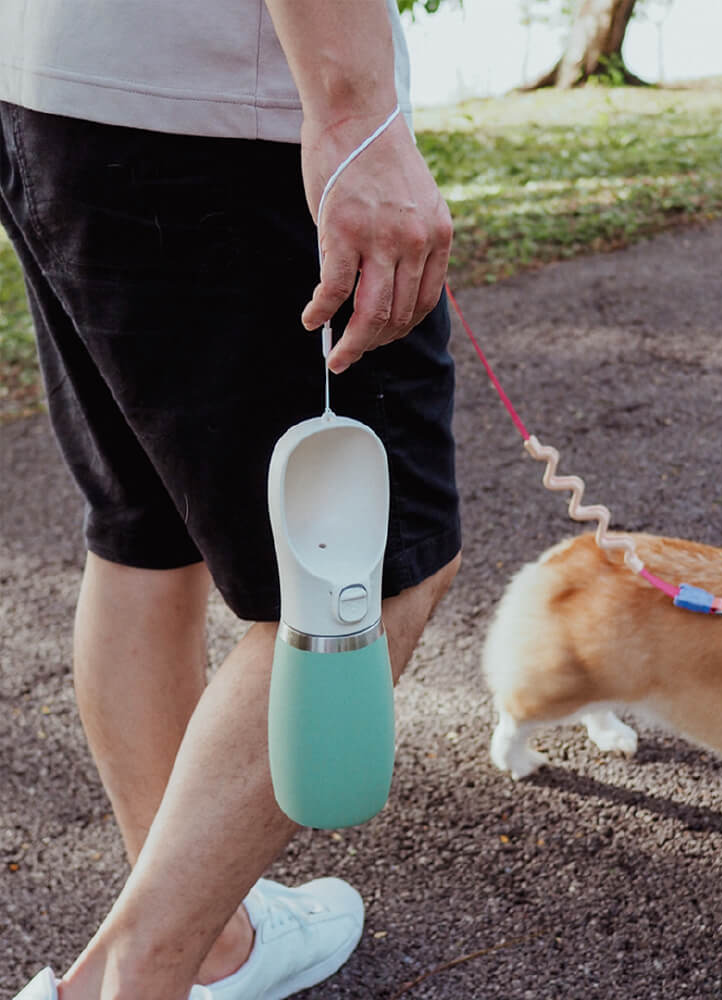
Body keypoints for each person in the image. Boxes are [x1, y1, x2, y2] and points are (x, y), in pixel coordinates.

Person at [0, 1, 462, 997]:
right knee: (378, 569)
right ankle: (135, 977)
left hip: (49, 87)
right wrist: (355, 116)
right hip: (220, 111)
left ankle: (212, 944)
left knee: (144, 534)